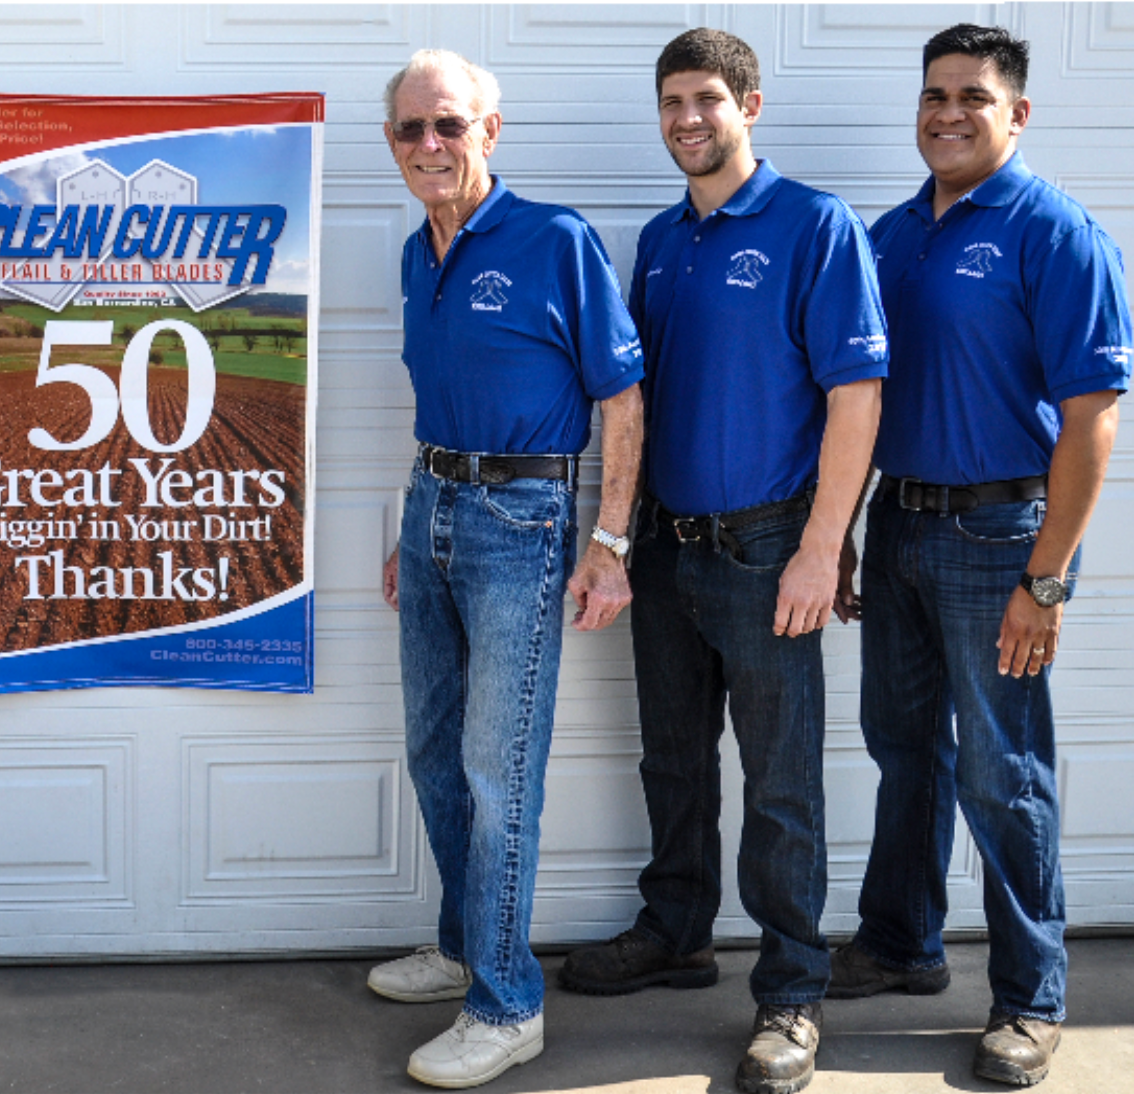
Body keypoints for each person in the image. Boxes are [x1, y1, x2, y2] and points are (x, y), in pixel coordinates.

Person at [557, 29, 888, 1094]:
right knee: (672, 758)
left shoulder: (812, 225)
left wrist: (820, 549)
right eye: (670, 102)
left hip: (765, 553)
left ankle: (790, 990)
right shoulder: (660, 239)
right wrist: (615, 542)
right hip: (666, 547)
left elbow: (856, 397)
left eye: (705, 99)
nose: (686, 120)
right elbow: (633, 402)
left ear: (750, 103)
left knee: (780, 782)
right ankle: (676, 930)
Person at [830, 24, 1130, 1089]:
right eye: (932, 94)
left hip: (1002, 535)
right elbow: (862, 402)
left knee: (1005, 771)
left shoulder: (1054, 233)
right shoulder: (893, 234)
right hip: (903, 524)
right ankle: (900, 940)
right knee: (902, 748)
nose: (946, 112)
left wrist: (1044, 578)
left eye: (971, 95)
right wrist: (850, 531)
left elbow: (1092, 418)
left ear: (1017, 113)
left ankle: (1030, 993)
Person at [368, 49, 646, 1090]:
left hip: (520, 517)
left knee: (498, 773)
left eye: (448, 125)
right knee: (434, 752)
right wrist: (409, 523)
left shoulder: (553, 239)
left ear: (491, 129)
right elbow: (438, 391)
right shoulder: (413, 253)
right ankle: (460, 942)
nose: (429, 146)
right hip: (432, 500)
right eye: (410, 130)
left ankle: (506, 1001)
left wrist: (608, 542)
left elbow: (620, 398)